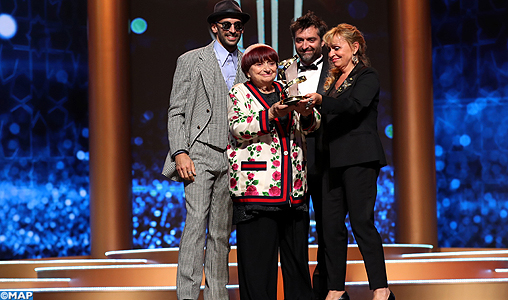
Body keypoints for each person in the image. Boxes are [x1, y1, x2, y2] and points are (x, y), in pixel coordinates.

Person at [161, 1, 250, 299]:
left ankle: (216, 295)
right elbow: (177, 112)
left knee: (222, 233)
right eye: (227, 25)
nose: (233, 30)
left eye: (238, 26)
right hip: (198, 152)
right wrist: (180, 152)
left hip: (233, 155)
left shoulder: (247, 63)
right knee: (196, 225)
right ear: (214, 27)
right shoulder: (191, 60)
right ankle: (187, 295)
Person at [304, 24, 395, 300]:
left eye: (336, 48)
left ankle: (381, 288)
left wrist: (320, 100)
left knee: (361, 222)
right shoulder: (332, 82)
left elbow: (354, 106)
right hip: (330, 163)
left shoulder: (367, 76)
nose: (331, 54)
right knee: (330, 227)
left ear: (354, 48)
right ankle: (336, 288)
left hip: (359, 160)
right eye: (328, 49)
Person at [226, 43, 320, 300]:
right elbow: (238, 128)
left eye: (270, 62)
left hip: (293, 191)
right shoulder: (239, 93)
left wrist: (306, 110)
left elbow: (311, 125)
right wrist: (270, 114)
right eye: (259, 63)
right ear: (247, 71)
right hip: (257, 191)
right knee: (257, 270)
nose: (267, 68)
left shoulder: (287, 89)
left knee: (297, 267)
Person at [288, 11, 330, 300]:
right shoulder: (283, 69)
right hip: (293, 154)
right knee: (295, 229)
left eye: (311, 39)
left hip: (328, 151)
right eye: (300, 40)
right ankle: (300, 293)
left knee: (329, 226)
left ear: (322, 41)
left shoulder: (337, 67)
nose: (305, 45)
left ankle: (326, 288)